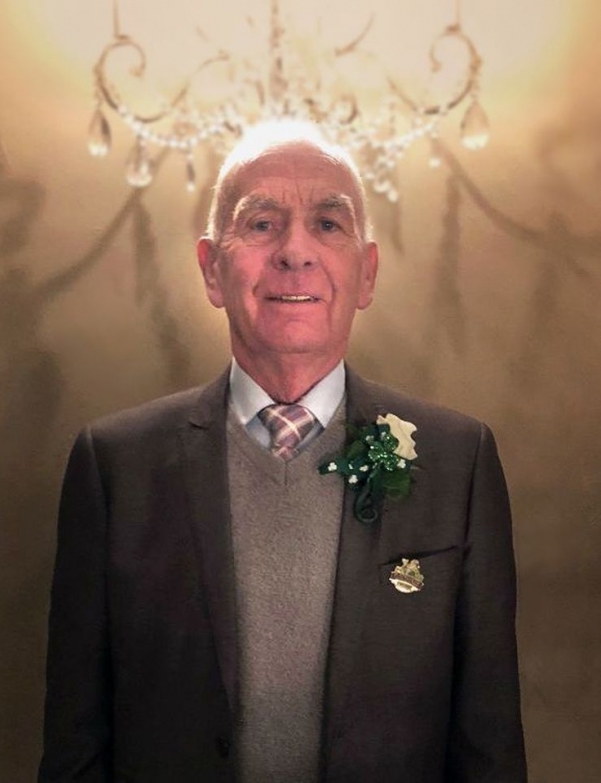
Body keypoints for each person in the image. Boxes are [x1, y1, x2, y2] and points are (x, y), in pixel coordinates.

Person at [39, 121, 527, 782]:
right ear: (212, 270)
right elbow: (76, 745)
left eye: (328, 223)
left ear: (366, 274)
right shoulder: (113, 468)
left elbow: (489, 747)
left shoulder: (457, 463)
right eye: (262, 223)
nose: (296, 251)